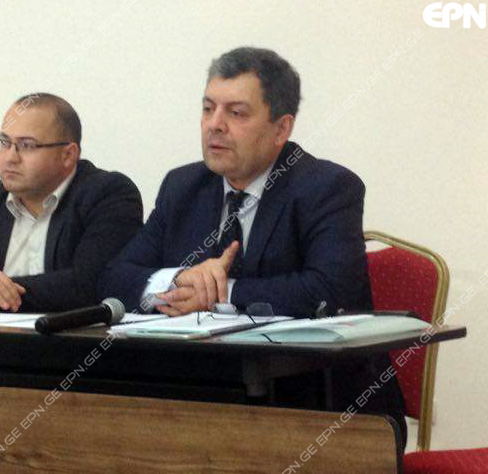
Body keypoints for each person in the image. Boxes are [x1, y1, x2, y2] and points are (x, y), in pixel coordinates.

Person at [100, 47, 407, 445]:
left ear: (281, 128)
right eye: (208, 109)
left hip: (321, 406)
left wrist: (221, 293)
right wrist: (177, 280)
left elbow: (331, 290)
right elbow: (114, 276)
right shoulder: (183, 187)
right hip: (202, 398)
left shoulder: (326, 187)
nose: (215, 125)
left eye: (236, 113)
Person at [0, 93, 143, 313]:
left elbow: (91, 285)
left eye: (27, 145)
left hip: (71, 337)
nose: (10, 157)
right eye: (4, 142)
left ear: (68, 155)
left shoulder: (107, 194)